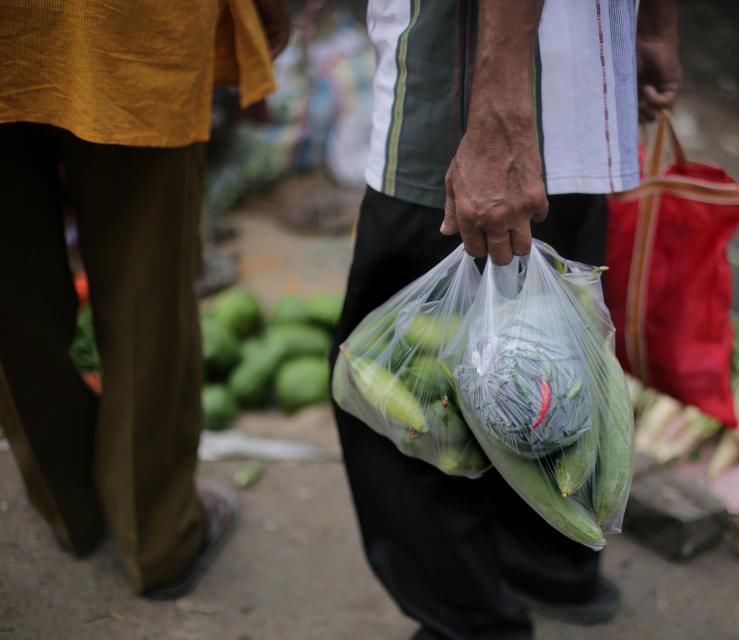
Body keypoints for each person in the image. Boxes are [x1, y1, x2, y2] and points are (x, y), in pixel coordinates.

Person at [332, 1, 680, 638]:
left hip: (467, 95)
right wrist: (655, 23)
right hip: (580, 87)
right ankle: (548, 565)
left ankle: (469, 620)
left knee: (396, 383)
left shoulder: (490, 121)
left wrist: (498, 121)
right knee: (552, 353)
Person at [0, 0, 288, 598]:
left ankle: (68, 510)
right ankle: (154, 538)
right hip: (128, 28)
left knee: (10, 298)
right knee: (146, 292)